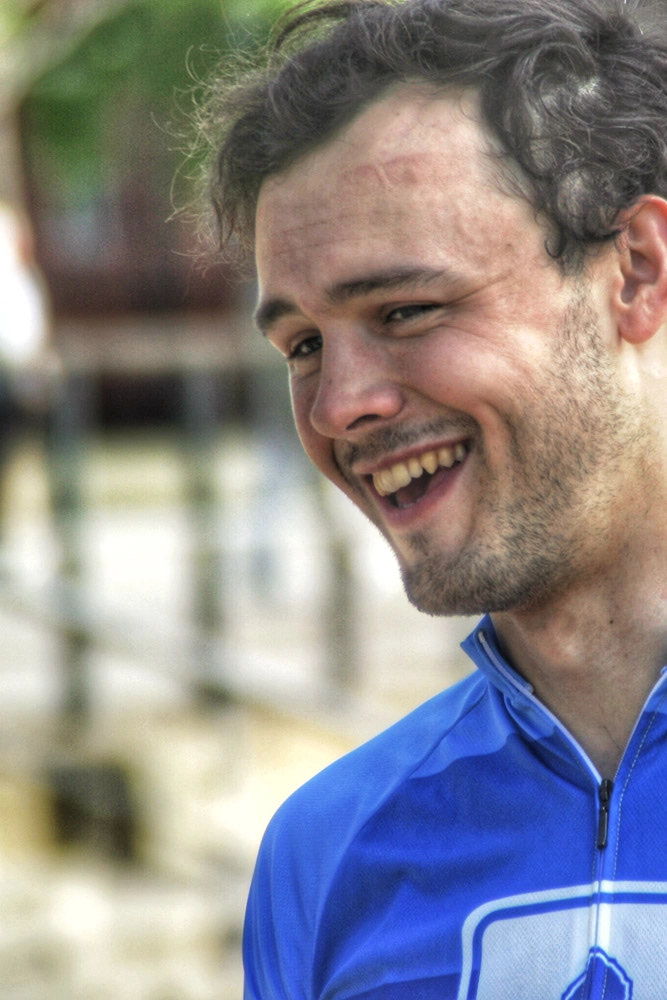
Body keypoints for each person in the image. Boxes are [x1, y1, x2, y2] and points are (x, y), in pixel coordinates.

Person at [198, 0, 667, 994]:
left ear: (636, 271)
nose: (340, 406)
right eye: (303, 344)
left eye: (406, 309)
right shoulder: (322, 860)